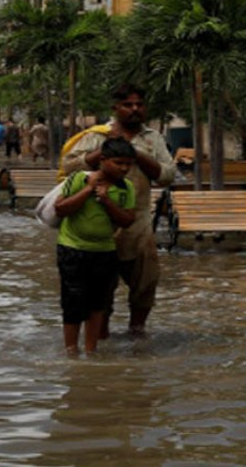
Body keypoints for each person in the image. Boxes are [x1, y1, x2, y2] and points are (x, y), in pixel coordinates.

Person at [62, 84, 176, 337]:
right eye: (128, 105)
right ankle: (101, 345)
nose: (135, 109)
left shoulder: (153, 138)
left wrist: (134, 153)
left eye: (139, 104)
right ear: (115, 108)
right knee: (99, 294)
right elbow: (69, 167)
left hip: (139, 227)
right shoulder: (97, 135)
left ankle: (137, 338)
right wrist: (106, 149)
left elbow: (168, 175)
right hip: (99, 230)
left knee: (145, 286)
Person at [54, 136, 137, 355]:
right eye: (118, 163)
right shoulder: (79, 179)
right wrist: (88, 191)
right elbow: (60, 209)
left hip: (105, 251)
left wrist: (107, 201)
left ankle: (91, 350)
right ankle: (71, 350)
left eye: (128, 164)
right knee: (72, 300)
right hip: (72, 249)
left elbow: (128, 221)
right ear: (102, 160)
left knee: (98, 303)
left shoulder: (126, 188)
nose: (124, 168)